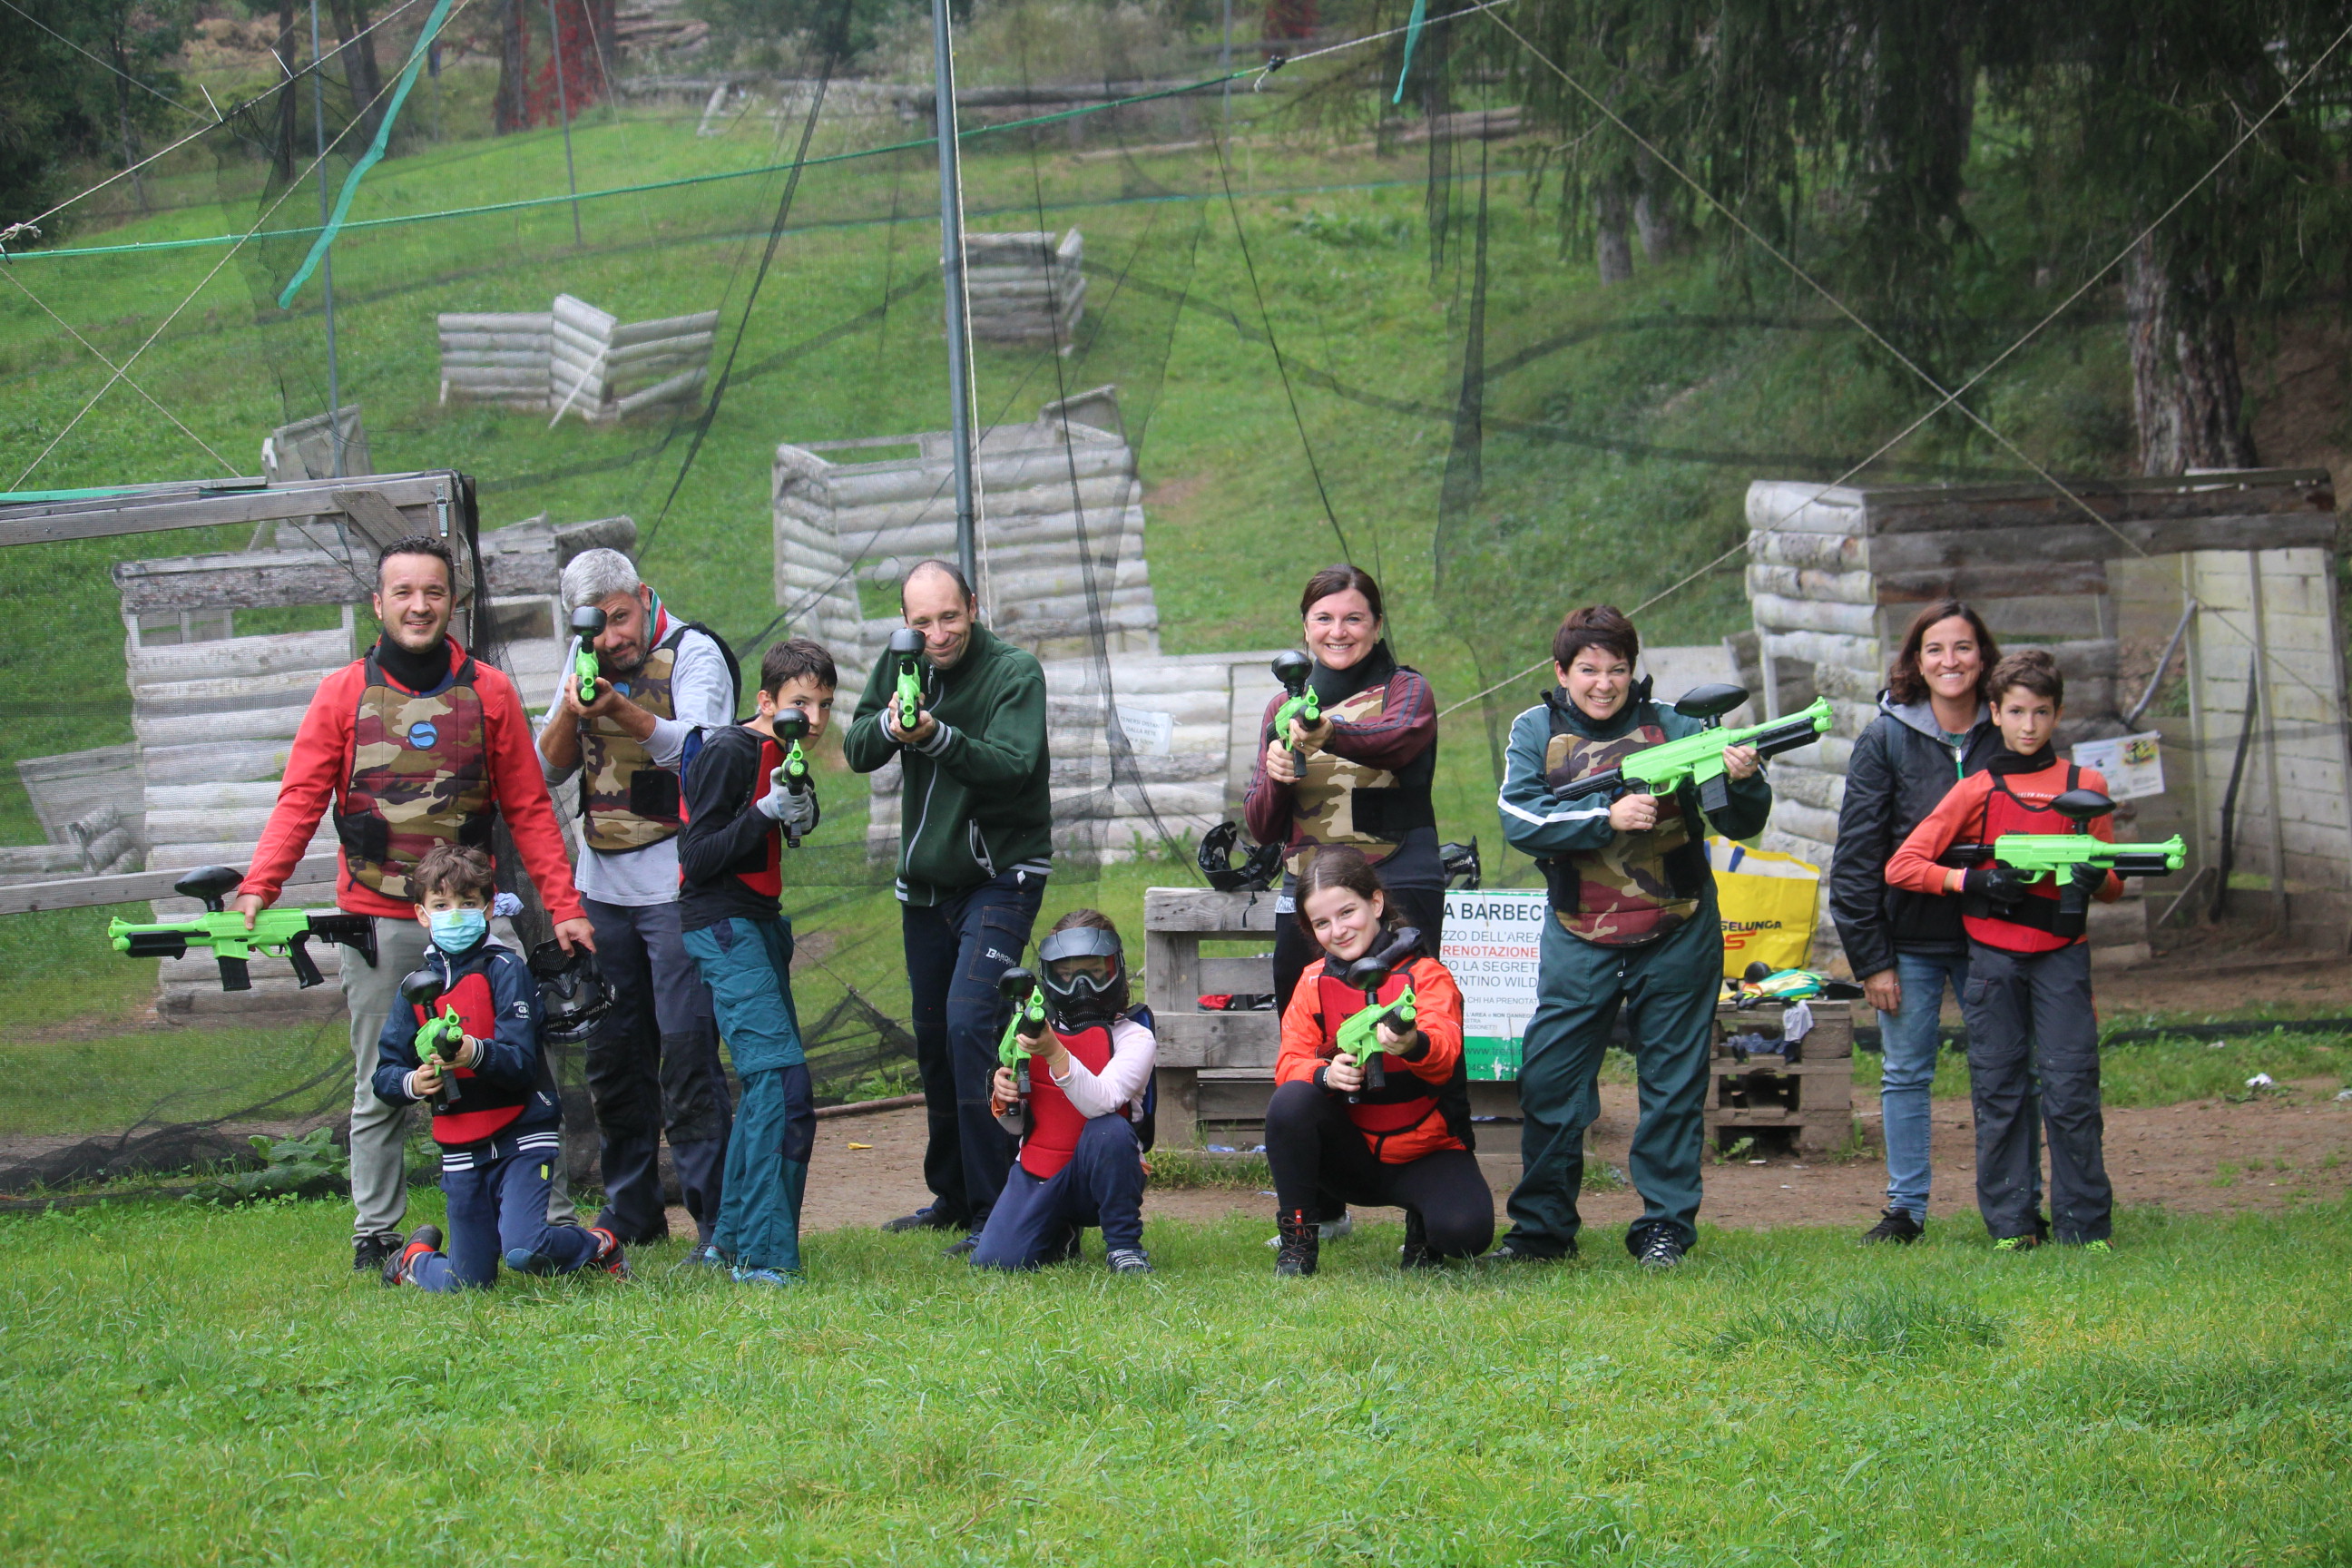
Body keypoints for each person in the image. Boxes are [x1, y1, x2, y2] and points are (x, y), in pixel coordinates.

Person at [232, 534, 593, 1275]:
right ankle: (377, 1233)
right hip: (381, 921)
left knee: (521, 1065)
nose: (419, 605)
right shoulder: (342, 693)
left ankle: (550, 1216)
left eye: (433, 591)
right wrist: (259, 885)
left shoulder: (488, 691)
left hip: (481, 920)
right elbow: (301, 799)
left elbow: (529, 808)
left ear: (452, 602)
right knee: (384, 1079)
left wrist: (563, 906)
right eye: (403, 592)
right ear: (378, 603)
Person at [1493, 604, 1772, 1269]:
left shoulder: (1676, 724)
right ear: (1561, 672)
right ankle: (1541, 1231)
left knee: (1673, 1086)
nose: (1603, 683)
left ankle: (1664, 1228)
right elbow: (1518, 817)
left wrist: (1744, 779)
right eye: (1588, 670)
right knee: (1552, 1084)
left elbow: (1738, 825)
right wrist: (1605, 814)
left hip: (1677, 929)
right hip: (1578, 931)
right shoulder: (1535, 729)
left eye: (1617, 669)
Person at [842, 561, 1052, 1248]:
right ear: (905, 624)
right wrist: (894, 730)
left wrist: (933, 736)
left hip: (1002, 876)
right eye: (922, 622)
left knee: (971, 1024)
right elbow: (857, 745)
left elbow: (1013, 765)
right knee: (933, 1038)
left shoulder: (1014, 673)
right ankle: (954, 1196)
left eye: (949, 617)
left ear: (973, 605)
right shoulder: (902, 662)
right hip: (923, 888)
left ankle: (1001, 1211)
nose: (937, 635)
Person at [535, 547, 737, 1253]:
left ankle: (717, 1219)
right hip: (602, 890)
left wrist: (617, 707)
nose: (611, 639)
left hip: (679, 889)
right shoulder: (583, 653)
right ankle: (631, 1215)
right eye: (596, 627)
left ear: (643, 596)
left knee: (686, 1057)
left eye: (620, 619)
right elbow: (546, 767)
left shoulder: (694, 653)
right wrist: (571, 707)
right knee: (614, 1059)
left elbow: (705, 755)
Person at [1885, 648, 2120, 1250]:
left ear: (2057, 714)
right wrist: (1975, 881)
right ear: (1995, 711)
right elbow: (1904, 865)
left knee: (2071, 1088)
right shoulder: (1978, 790)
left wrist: (2096, 879)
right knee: (2000, 1088)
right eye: (2016, 712)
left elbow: (2114, 882)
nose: (2028, 726)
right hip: (1992, 959)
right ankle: (2013, 1225)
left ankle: (2084, 1227)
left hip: (2063, 955)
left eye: (2041, 712)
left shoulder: (2085, 787)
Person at [1831, 600, 2042, 1245]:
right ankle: (1905, 1210)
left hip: (1994, 934)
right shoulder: (1885, 737)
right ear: (1915, 663)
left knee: (2005, 1069)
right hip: (1911, 942)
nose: (1950, 661)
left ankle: (2017, 1208)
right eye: (1935, 650)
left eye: (1964, 648)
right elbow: (1857, 857)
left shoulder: (2010, 730)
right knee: (1904, 1073)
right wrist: (1871, 959)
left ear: (1984, 658)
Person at [1243, 564, 1442, 1245]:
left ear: (1377, 625)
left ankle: (1429, 1199)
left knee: (1407, 1034)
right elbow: (1262, 826)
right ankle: (1321, 1206)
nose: (1339, 631)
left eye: (1353, 618)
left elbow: (1397, 740)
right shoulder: (1280, 709)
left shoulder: (1406, 691)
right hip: (1306, 892)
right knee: (1311, 1041)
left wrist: (1326, 735)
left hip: (1398, 881)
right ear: (1304, 629)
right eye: (1324, 619)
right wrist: (1274, 776)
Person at [373, 845, 628, 1290]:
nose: (456, 914)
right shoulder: (412, 989)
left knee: (524, 1250)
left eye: (468, 904)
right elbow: (384, 1076)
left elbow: (520, 1065)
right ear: (421, 914)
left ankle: (598, 1245)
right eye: (442, 905)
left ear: (488, 908)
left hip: (522, 1134)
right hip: (460, 1144)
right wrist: (414, 1081)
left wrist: (473, 1053)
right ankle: (413, 1261)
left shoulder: (506, 968)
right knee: (468, 1283)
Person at [676, 639, 834, 1285]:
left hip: (761, 923)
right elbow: (696, 855)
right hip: (721, 924)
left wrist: (798, 813)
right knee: (779, 1083)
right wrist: (764, 812)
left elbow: (793, 820)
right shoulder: (731, 750)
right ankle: (763, 1257)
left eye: (824, 704)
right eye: (801, 703)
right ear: (765, 701)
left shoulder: (786, 749)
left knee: (778, 1087)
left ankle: (730, 1241)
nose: (815, 718)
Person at [1264, 847, 1491, 1276]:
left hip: (1427, 1150)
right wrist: (1325, 1074)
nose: (1339, 930)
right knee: (1291, 1103)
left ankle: (1423, 1228)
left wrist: (1412, 1045)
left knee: (1465, 1234)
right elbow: (1289, 1063)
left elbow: (1444, 1057)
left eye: (1347, 912)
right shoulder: (1312, 981)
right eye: (1322, 923)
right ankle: (1297, 1241)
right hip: (1352, 1156)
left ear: (1376, 902)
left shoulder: (1427, 975)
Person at [972, 910, 1157, 1275]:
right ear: (1048, 976)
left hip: (1103, 1170)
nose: (1081, 987)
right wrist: (1003, 1093)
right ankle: (1059, 1232)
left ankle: (1124, 1247)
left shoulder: (1136, 1037)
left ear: (1115, 970)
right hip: (1041, 1168)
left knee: (1111, 1130)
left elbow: (1102, 1101)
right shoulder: (1028, 1028)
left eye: (1094, 971)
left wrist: (1055, 1053)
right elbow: (1017, 1126)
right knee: (997, 1262)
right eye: (1067, 975)